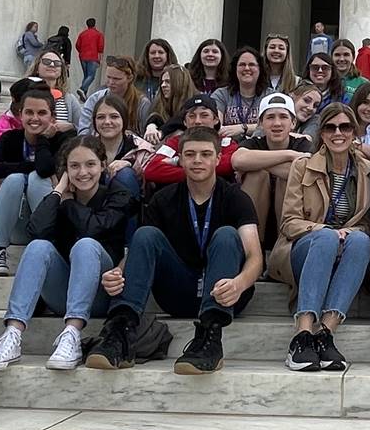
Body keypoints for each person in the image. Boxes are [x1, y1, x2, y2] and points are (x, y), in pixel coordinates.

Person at [85, 124, 261, 374]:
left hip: (227, 294)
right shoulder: (163, 198)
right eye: (190, 155)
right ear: (180, 159)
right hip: (178, 292)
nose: (197, 161)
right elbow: (143, 247)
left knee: (226, 235)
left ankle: (209, 338)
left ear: (218, 159)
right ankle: (121, 331)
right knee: (145, 233)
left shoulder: (235, 197)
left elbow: (255, 256)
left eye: (205, 154)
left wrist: (240, 283)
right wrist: (119, 271)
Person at [0, 135, 139, 372]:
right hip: (62, 293)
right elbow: (36, 230)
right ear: (65, 170)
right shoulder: (61, 196)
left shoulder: (118, 196)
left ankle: (73, 335)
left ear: (103, 166)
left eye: (90, 164)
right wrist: (58, 191)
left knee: (85, 245)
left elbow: (93, 228)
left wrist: (67, 203)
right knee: (38, 247)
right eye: (74, 166)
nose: (82, 172)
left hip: (101, 293)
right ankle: (12, 334)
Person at [273, 101, 370, 372]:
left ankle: (325, 333)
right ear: (322, 133)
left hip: (347, 247)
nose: (338, 132)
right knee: (328, 239)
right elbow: (289, 222)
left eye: (345, 126)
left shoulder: (366, 170)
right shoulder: (303, 166)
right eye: (330, 127)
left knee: (362, 241)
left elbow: (365, 224)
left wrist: (348, 233)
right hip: (302, 246)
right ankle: (302, 335)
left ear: (354, 132)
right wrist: (326, 231)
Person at [0, 87, 74, 276]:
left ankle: (48, 247)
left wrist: (43, 140)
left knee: (36, 178)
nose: (35, 118)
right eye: (29, 112)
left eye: (42, 113)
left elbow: (44, 169)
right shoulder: (10, 138)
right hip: (15, 223)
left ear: (52, 117)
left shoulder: (64, 140)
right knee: (16, 179)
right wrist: (27, 166)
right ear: (20, 115)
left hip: (48, 225)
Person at [233, 92, 313, 248]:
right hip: (255, 219)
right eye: (270, 117)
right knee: (257, 175)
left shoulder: (302, 143)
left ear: (293, 123)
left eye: (283, 117)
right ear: (261, 123)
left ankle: (282, 249)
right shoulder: (254, 143)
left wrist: (256, 162)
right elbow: (237, 160)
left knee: (285, 178)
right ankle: (254, 251)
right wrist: (290, 155)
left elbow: (300, 171)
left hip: (291, 220)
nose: (277, 123)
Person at [87, 94, 148, 197]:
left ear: (124, 120)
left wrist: (131, 164)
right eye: (101, 117)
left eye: (114, 116)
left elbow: (150, 182)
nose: (107, 122)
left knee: (125, 174)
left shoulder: (141, 148)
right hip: (92, 206)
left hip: (127, 206)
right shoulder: (84, 148)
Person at [75, 53, 141, 135]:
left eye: (116, 79)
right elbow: (83, 131)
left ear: (130, 78)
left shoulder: (141, 102)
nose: (111, 82)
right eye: (108, 77)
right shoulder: (95, 99)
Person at [215, 47, 266, 139]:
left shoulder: (270, 96)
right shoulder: (221, 94)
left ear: (260, 69)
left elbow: (272, 125)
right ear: (235, 69)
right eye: (242, 64)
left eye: (252, 64)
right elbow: (215, 124)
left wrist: (243, 128)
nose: (247, 68)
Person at [138, 38, 179, 109]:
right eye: (153, 53)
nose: (157, 56)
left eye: (161, 52)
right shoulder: (137, 79)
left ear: (168, 55)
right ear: (147, 56)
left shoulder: (177, 80)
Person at [74, 18, 106, 95]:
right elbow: (100, 46)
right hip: (93, 57)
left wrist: (81, 52)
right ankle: (82, 89)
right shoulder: (99, 34)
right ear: (95, 24)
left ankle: (84, 94)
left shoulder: (82, 34)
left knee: (86, 76)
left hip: (83, 56)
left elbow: (77, 45)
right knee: (91, 76)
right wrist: (100, 57)